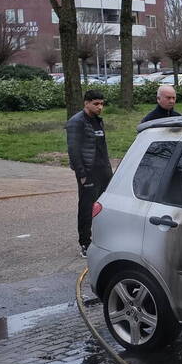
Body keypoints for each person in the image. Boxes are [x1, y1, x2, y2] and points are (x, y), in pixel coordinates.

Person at [66, 89, 113, 258]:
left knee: (105, 206)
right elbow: (73, 150)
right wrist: (81, 173)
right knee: (86, 208)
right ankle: (85, 243)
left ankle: (103, 238)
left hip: (104, 171)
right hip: (88, 172)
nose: (100, 107)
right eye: (96, 104)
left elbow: (102, 148)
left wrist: (109, 169)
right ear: (86, 103)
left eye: (102, 104)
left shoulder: (98, 121)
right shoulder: (76, 122)